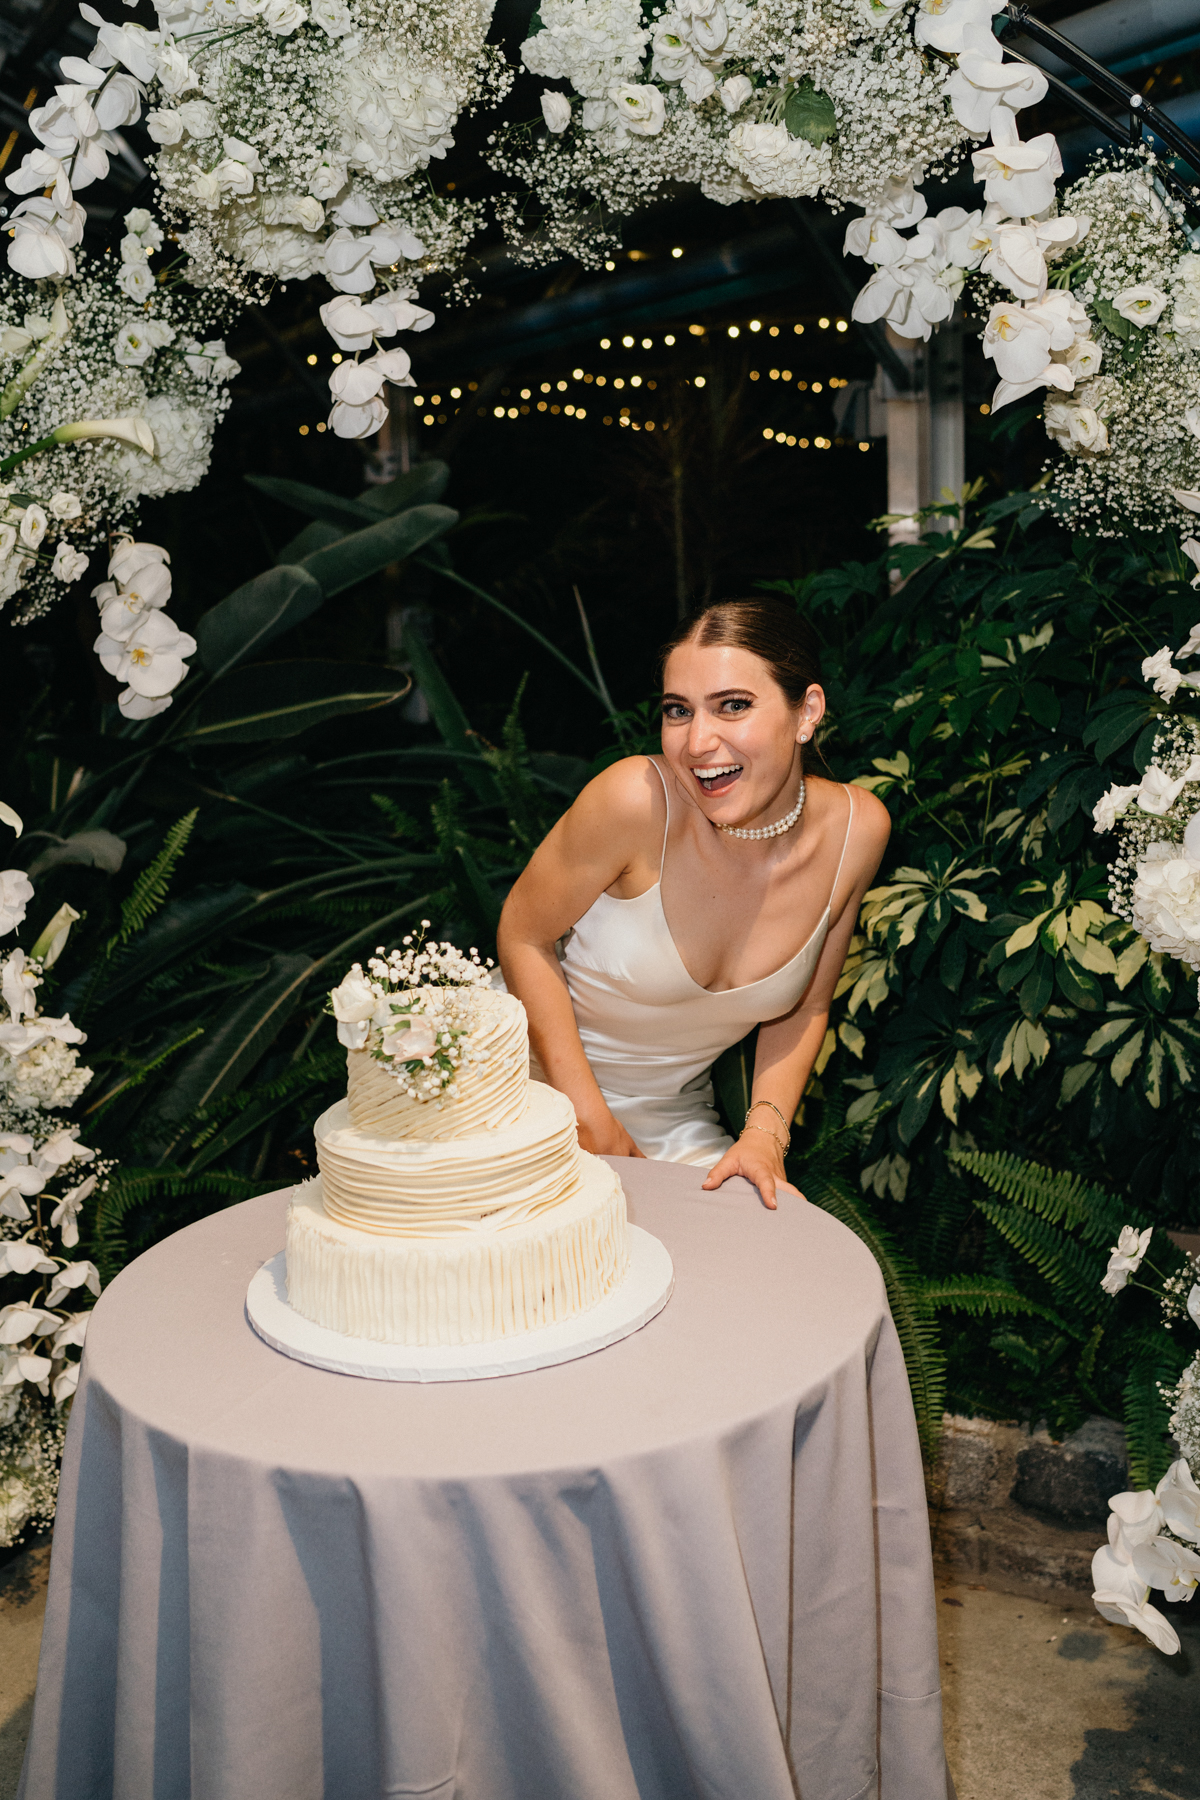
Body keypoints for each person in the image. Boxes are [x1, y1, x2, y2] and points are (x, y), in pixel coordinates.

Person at [497, 597, 891, 1208]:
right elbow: (523, 935)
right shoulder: (634, 801)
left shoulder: (857, 832)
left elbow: (807, 1005)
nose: (698, 742)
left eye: (733, 706)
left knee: (761, 1266)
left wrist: (765, 1134)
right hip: (518, 1085)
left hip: (669, 1121)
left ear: (806, 711)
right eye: (678, 711)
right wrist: (586, 1118)